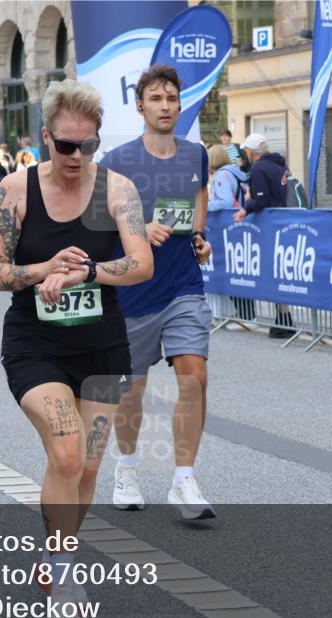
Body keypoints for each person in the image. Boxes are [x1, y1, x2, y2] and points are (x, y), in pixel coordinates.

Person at [0, 79, 152, 618]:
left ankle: (58, 556)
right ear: (46, 139)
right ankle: (64, 585)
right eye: (66, 146)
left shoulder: (118, 189)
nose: (77, 157)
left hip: (102, 345)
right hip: (35, 345)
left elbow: (141, 262)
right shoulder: (16, 189)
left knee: (88, 469)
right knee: (66, 452)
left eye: (88, 145)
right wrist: (43, 270)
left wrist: (85, 273)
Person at [98, 64, 215, 521]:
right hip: (133, 292)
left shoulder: (195, 155)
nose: (165, 106)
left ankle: (184, 479)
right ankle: (126, 469)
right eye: (156, 99)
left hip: (184, 284)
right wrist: (137, 230)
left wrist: (201, 239)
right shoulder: (118, 160)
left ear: (179, 104)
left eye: (171, 98)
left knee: (195, 374)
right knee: (131, 391)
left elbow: (198, 205)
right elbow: (98, 222)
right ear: (140, 106)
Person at [234, 133, 295, 338]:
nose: (246, 154)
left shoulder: (259, 168)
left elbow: (261, 200)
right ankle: (284, 320)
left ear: (252, 152)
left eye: (247, 151)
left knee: (273, 273)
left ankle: (284, 322)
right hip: (284, 222)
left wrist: (247, 205)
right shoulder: (281, 165)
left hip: (270, 227)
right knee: (280, 273)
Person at [207, 144, 255, 329]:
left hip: (229, 226)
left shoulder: (221, 176)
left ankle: (243, 318)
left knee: (234, 271)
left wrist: (205, 206)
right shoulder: (236, 172)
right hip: (241, 225)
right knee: (243, 271)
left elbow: (226, 201)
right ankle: (246, 316)